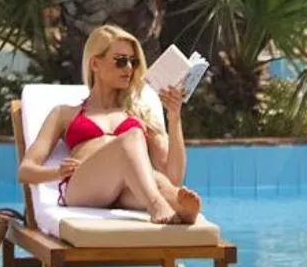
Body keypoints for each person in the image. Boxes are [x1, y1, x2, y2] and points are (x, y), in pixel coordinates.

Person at [18, 25, 201, 225]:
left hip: (126, 192)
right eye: (121, 61)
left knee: (164, 184)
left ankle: (178, 205)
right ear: (95, 64)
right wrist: (58, 172)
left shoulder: (142, 114)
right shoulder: (64, 114)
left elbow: (174, 175)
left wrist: (174, 118)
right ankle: (156, 203)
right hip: (85, 186)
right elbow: (25, 171)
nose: (129, 69)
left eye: (133, 61)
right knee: (132, 138)